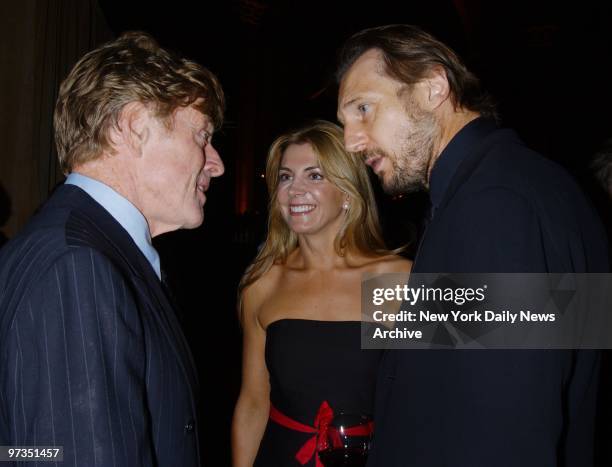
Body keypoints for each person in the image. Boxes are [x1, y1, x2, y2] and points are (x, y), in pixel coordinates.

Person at [336, 24, 610, 467]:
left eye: (363, 109)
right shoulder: (492, 188)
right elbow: (450, 378)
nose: (351, 141)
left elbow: (507, 433)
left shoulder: (496, 204)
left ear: (433, 87)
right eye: (346, 123)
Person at [0, 31, 225, 466]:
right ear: (134, 126)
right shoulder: (79, 266)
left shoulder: (80, 245)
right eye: (202, 135)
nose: (216, 162)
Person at [231, 120, 411, 467]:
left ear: (347, 191)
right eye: (285, 177)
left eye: (314, 176)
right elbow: (253, 402)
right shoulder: (264, 282)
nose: (293, 190)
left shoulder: (392, 279)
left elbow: (525, 318)